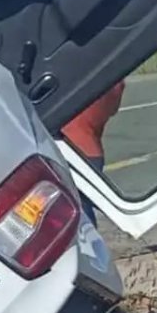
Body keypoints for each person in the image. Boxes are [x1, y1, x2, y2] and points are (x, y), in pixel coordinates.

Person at [61, 80, 125, 226]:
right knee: (82, 206)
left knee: (76, 208)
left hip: (72, 148)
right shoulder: (116, 84)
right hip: (92, 152)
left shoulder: (80, 78)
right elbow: (112, 110)